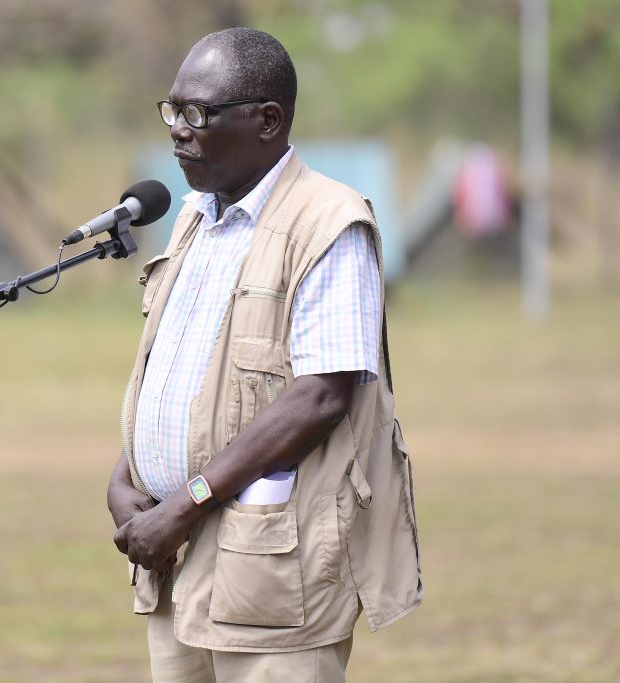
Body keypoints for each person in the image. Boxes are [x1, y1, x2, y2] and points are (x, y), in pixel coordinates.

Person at [106, 28, 423, 682]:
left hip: (274, 575)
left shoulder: (327, 222)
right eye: (171, 111)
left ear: (267, 120)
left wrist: (186, 500)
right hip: (175, 563)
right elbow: (182, 370)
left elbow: (321, 396)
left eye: (197, 114)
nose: (178, 131)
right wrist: (128, 475)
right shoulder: (196, 215)